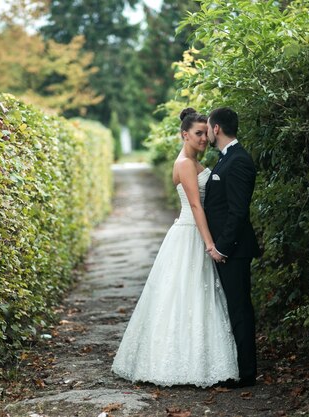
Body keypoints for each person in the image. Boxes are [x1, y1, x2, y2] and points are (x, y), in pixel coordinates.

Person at [111, 108, 239, 387]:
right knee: (183, 295)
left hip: (193, 230)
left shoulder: (193, 162)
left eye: (206, 133)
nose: (204, 138)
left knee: (197, 296)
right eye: (198, 134)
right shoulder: (184, 163)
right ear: (184, 134)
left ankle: (199, 360)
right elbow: (194, 206)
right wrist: (209, 243)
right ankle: (176, 362)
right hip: (191, 234)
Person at [204, 107, 261, 388]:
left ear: (216, 129)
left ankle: (247, 373)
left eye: (208, 128)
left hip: (234, 251)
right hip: (227, 249)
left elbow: (238, 212)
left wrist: (222, 248)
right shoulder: (226, 159)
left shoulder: (238, 161)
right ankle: (238, 367)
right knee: (233, 308)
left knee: (239, 309)